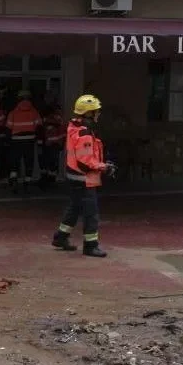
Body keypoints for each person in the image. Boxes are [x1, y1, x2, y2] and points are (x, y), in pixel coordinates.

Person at [51, 94, 115, 258]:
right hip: (84, 180)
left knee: (75, 208)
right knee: (91, 213)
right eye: (95, 111)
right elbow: (85, 161)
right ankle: (90, 246)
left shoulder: (75, 128)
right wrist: (103, 167)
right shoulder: (84, 133)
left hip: (75, 178)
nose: (98, 114)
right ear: (88, 114)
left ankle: (61, 237)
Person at [6, 90, 42, 190]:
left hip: (16, 141)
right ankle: (27, 182)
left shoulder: (13, 112)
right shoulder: (34, 112)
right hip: (30, 140)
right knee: (29, 161)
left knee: (15, 161)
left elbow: (8, 128)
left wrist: (8, 142)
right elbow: (39, 127)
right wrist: (39, 141)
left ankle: (13, 179)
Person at [39, 92, 66, 187]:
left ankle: (49, 181)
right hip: (50, 142)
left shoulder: (52, 114)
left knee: (51, 162)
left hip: (53, 143)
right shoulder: (48, 112)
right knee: (47, 161)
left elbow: (60, 128)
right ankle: (48, 180)